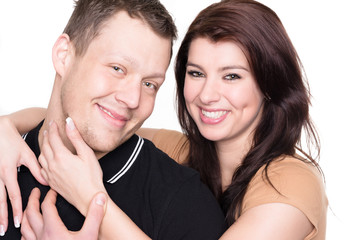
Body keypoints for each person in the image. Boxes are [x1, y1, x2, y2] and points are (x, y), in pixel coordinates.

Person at [0, 0, 328, 239]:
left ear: (269, 85)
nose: (208, 94)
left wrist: (91, 199)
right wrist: (5, 126)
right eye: (197, 73)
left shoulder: (291, 183)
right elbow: (92, 119)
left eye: (231, 76)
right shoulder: (178, 149)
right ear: (63, 56)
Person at [0, 0, 227, 239]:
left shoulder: (185, 204)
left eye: (149, 84)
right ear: (64, 56)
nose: (132, 99)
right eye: (117, 68)